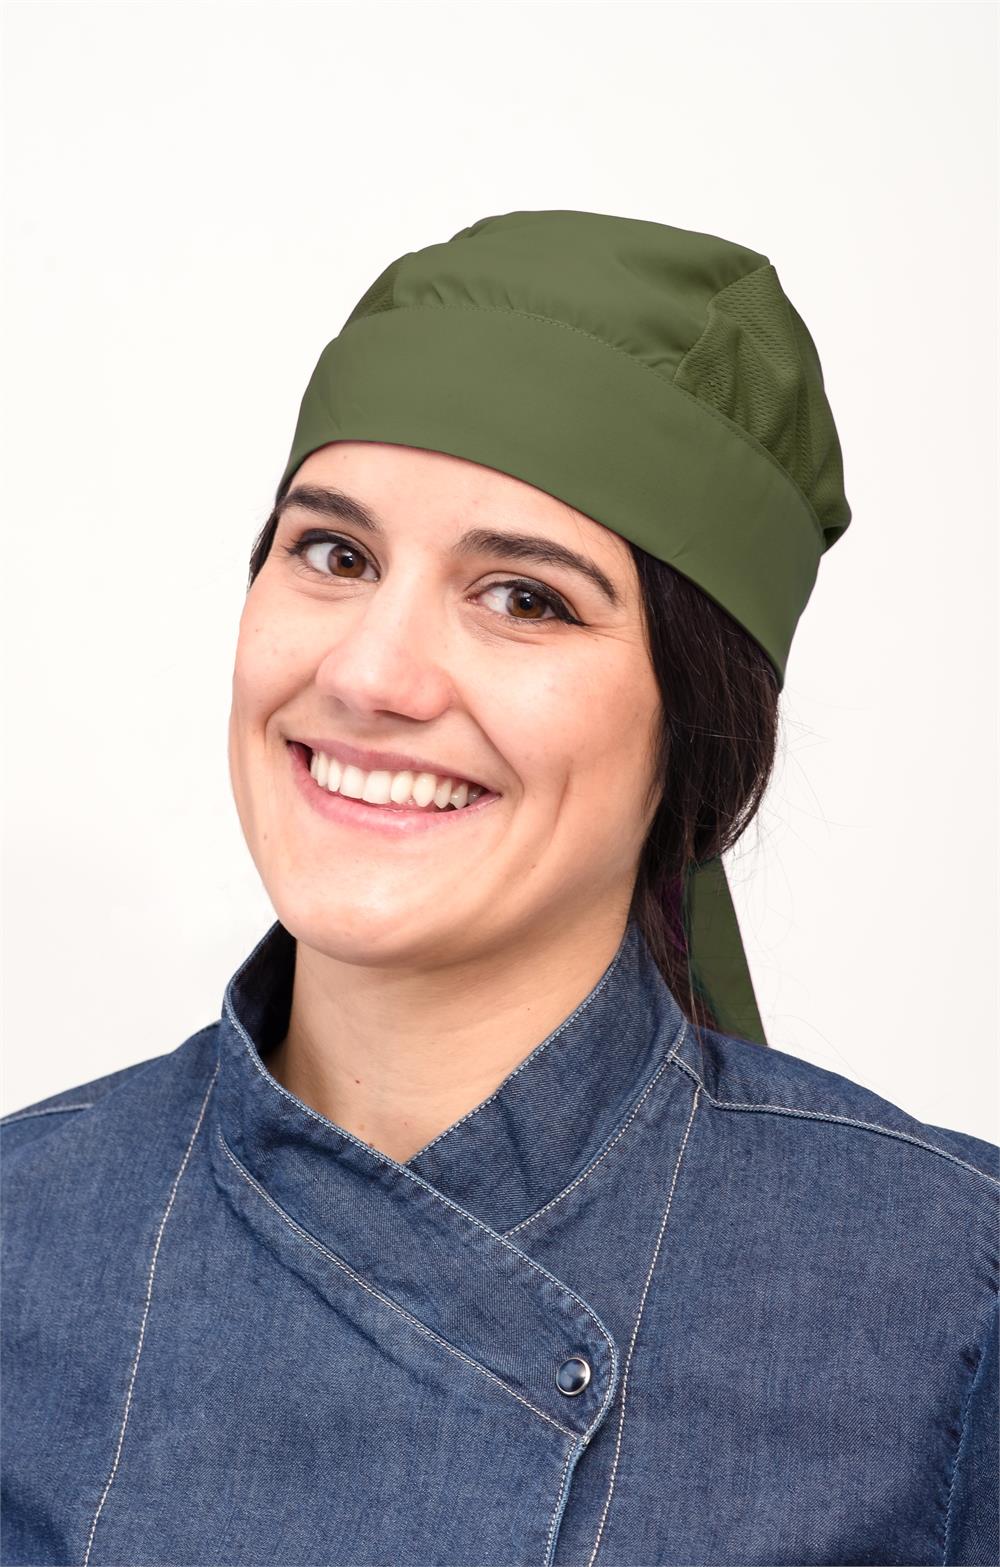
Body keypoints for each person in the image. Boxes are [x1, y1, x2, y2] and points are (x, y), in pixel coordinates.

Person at [2, 210, 997, 1567]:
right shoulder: (24, 1233)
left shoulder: (950, 1296)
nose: (370, 675)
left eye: (524, 598)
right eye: (335, 555)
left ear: (696, 725)